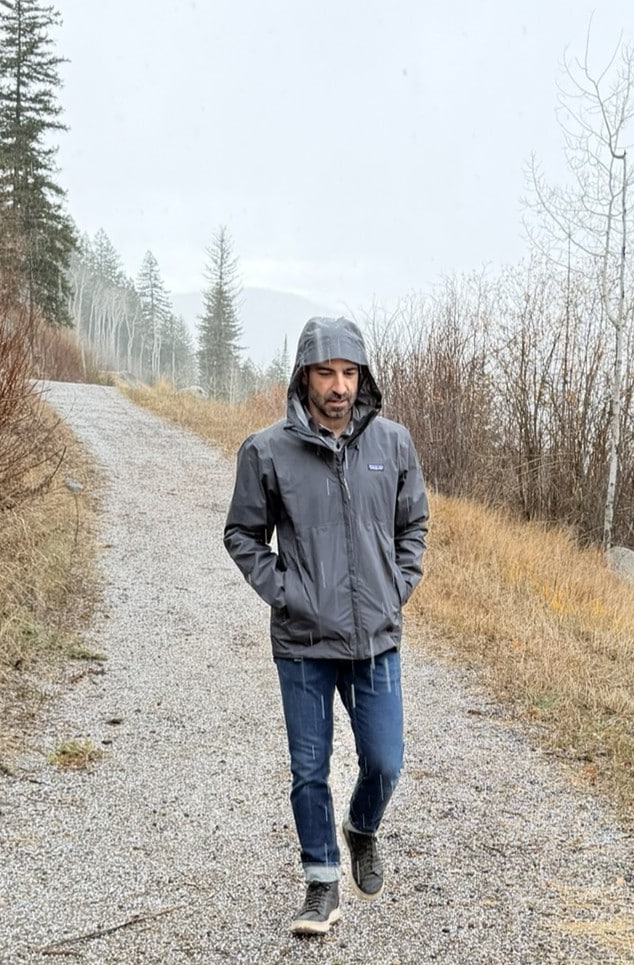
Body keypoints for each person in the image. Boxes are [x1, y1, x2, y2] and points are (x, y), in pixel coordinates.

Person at [224, 316, 429, 936]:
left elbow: (412, 525)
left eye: (348, 371)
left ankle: (361, 827)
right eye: (325, 372)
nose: (338, 386)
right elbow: (242, 534)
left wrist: (396, 585)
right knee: (309, 769)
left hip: (374, 640)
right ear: (304, 376)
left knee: (385, 761)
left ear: (361, 375)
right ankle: (320, 884)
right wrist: (285, 592)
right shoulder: (266, 450)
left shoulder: (393, 443)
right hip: (304, 643)